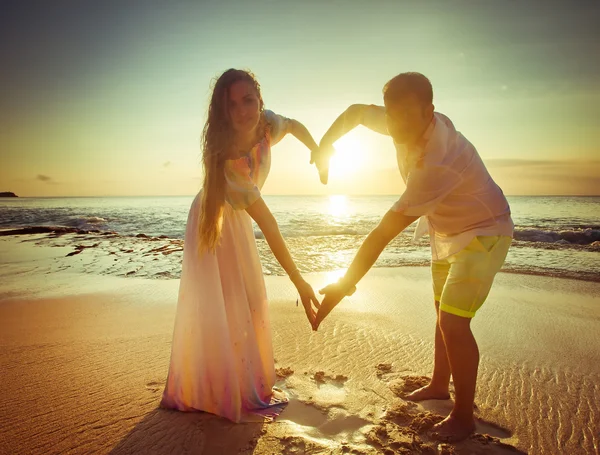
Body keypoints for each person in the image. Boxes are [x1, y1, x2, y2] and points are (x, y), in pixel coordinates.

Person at [312, 72, 513, 441]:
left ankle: (464, 415)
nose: (395, 124)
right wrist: (324, 145)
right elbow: (356, 112)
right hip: (448, 232)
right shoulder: (398, 122)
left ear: (428, 111)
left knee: (454, 323)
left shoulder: (437, 159)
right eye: (391, 115)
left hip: (487, 231)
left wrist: (345, 284)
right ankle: (439, 384)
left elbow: (383, 233)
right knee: (442, 312)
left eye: (406, 115)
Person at [161, 69, 321, 423]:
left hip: (237, 218)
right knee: (227, 302)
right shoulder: (232, 156)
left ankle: (237, 376)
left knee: (248, 299)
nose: (243, 111)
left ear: (260, 101)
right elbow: (270, 224)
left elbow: (293, 125)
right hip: (214, 222)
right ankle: (217, 386)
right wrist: (299, 281)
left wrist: (317, 150)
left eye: (248, 100)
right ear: (224, 111)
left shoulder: (267, 124)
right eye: (232, 105)